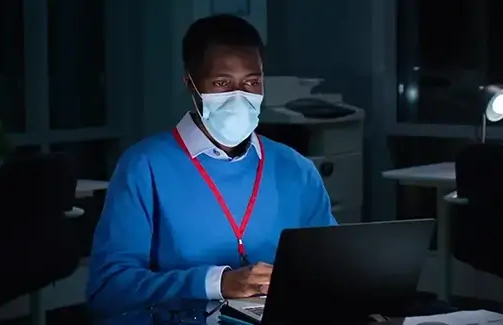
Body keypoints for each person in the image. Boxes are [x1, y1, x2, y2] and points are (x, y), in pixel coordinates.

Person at [85, 14, 337, 316]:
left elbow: (329, 268)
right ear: (191, 84)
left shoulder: (296, 169)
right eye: (222, 83)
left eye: (252, 82)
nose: (239, 97)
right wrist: (216, 283)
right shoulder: (144, 167)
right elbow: (108, 288)